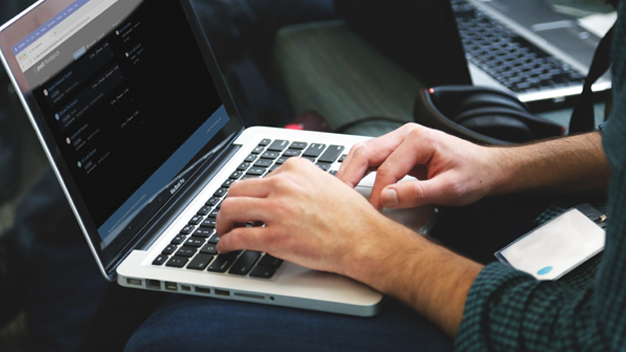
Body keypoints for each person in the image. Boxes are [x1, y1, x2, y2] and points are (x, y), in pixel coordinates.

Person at [125, 1, 625, 351]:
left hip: (573, 314)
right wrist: (501, 164)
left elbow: (588, 340)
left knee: (170, 337)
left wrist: (369, 245)